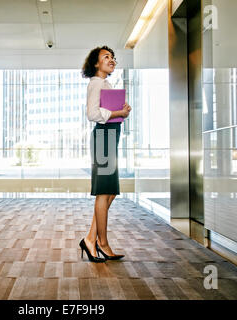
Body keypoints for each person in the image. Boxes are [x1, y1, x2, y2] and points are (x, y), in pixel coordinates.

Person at [79, 46, 131, 262]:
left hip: (109, 137)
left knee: (110, 191)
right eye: (106, 57)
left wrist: (121, 111)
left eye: (112, 57)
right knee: (104, 192)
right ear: (96, 64)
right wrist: (118, 112)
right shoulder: (97, 83)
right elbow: (92, 113)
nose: (111, 60)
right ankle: (102, 243)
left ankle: (91, 238)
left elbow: (104, 111)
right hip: (104, 138)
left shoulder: (105, 83)